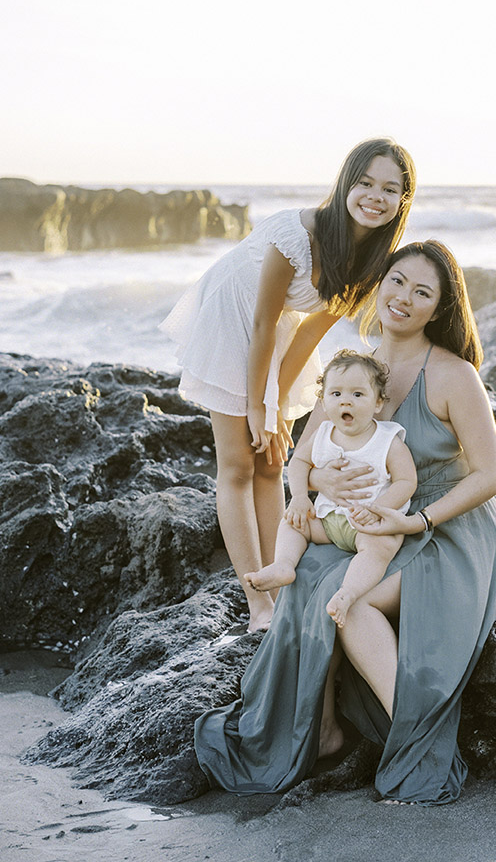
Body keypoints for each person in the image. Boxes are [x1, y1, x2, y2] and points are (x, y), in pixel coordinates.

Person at [194, 240, 496, 805]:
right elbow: (305, 457)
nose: (404, 298)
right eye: (396, 282)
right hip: (367, 523)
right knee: (306, 577)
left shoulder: (452, 374)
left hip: (446, 527)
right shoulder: (354, 369)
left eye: (422, 292)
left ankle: (419, 739)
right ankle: (320, 731)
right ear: (379, 284)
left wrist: (418, 522)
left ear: (439, 308)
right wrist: (319, 486)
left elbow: (491, 476)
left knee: (352, 601)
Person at [160, 139, 416, 631]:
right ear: (346, 183)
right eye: (365, 183)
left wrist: (277, 408)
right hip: (232, 317)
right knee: (237, 463)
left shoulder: (369, 263)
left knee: (273, 459)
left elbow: (304, 335)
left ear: (402, 200)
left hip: (273, 336)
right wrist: (259, 405)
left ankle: (279, 581)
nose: (374, 196)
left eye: (389, 189)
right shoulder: (295, 234)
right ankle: (257, 605)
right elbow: (261, 322)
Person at [244, 349, 417, 629]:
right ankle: (284, 565)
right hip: (327, 521)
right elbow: (298, 462)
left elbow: (406, 482)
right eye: (336, 394)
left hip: (368, 525)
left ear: (378, 403)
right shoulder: (323, 434)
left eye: (357, 395)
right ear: (323, 401)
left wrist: (378, 509)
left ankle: (347, 593)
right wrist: (300, 497)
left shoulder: (387, 439)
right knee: (292, 521)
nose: (345, 400)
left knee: (381, 547)